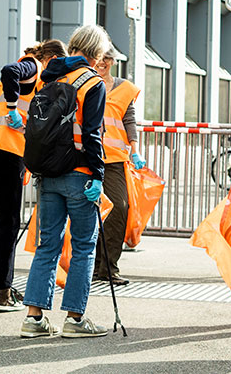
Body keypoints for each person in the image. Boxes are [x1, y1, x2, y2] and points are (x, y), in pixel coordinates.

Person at [21, 25, 110, 339]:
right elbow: (93, 134)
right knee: (84, 247)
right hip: (79, 174)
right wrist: (98, 176)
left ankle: (33, 318)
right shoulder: (92, 82)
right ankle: (75, 318)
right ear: (96, 52)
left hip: (47, 173)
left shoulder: (51, 77)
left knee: (48, 245)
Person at [0, 38, 68, 312]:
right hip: (6, 149)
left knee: (4, 220)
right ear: (51, 58)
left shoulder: (33, 72)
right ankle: (0, 292)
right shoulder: (32, 65)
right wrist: (13, 109)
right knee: (8, 221)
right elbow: (8, 72)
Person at [92, 47, 146, 286]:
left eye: (107, 58)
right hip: (87, 157)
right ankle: (91, 266)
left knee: (119, 208)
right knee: (89, 211)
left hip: (113, 159)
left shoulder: (124, 88)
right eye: (99, 58)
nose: (103, 62)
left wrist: (135, 149)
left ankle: (109, 266)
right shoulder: (84, 82)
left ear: (113, 61)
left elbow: (129, 120)